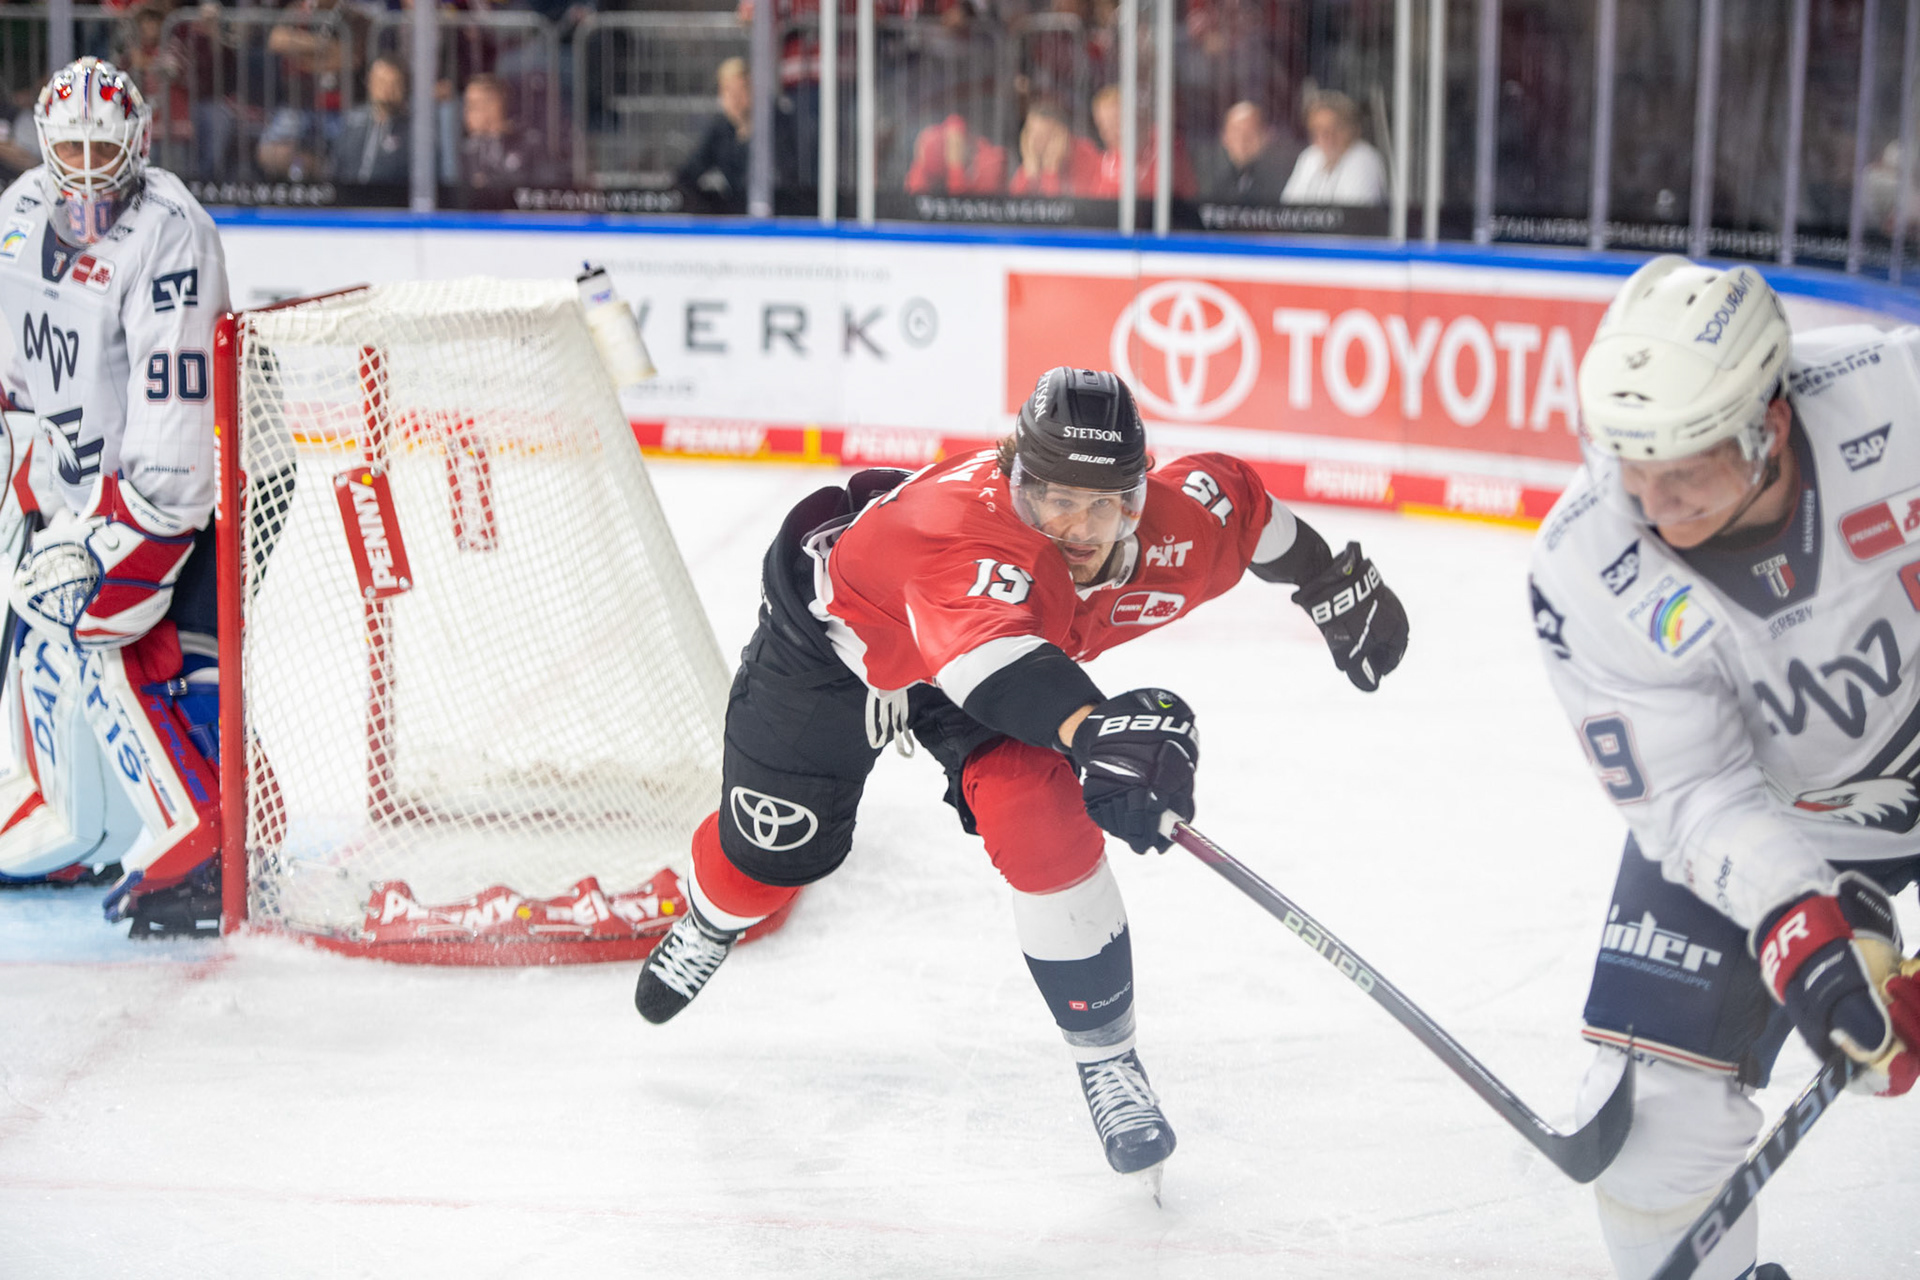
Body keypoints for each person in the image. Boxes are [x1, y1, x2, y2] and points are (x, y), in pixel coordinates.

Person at [632, 366, 1410, 1182]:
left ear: (1138, 500)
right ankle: (712, 919)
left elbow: (1245, 505)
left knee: (1041, 813)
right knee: (765, 861)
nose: (1075, 526)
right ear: (1014, 476)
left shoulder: (1182, 527)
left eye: (1101, 504)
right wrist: (1095, 731)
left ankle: (1108, 1058)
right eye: (1050, 497)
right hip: (844, 649)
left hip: (996, 653)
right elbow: (995, 671)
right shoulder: (959, 531)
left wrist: (1329, 581)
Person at [1529, 255, 1920, 1280]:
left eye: (1685, 472)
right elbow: (1695, 792)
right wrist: (1803, 922)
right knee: (1648, 1119)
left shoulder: (1902, 399)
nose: (1652, 507)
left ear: (1769, 428)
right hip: (1777, 808)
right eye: (1628, 467)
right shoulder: (1582, 565)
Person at [0, 57, 229, 937]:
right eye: (73, 146)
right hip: (80, 488)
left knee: (109, 624)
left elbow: (173, 451)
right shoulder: (18, 213)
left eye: (106, 146)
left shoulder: (169, 230)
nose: (90, 165)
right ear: (46, 144)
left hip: (190, 499)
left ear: (137, 142)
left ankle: (204, 836)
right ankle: (70, 819)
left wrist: (115, 540)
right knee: (36, 625)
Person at [1280, 89, 1386, 207]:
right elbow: (1287, 209)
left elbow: (1352, 216)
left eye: (1336, 128)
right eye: (1318, 129)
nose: (1326, 136)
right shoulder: (1309, 156)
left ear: (1354, 129)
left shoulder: (1364, 159)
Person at [674, 57, 752, 213]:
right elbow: (687, 176)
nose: (734, 98)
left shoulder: (776, 129)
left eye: (741, 89)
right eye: (728, 90)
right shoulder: (721, 131)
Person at [457, 74, 551, 190]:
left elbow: (546, 190)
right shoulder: (469, 150)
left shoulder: (529, 143)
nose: (466, 113)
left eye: (473, 106)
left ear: (494, 106)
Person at [331, 54, 412, 187]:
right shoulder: (352, 121)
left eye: (394, 83)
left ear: (404, 87)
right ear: (369, 82)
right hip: (349, 199)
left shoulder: (413, 131)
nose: (387, 90)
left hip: (391, 202)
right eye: (381, 82)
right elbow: (336, 166)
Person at [1203, 100, 1291, 204]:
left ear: (1266, 137)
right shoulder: (1215, 183)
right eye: (1236, 132)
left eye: (1251, 132)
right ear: (1224, 138)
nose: (1243, 140)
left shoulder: (1284, 180)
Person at [902, 112, 1005, 196]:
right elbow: (914, 195)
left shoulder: (991, 160)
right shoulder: (934, 148)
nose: (948, 149)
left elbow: (960, 209)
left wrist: (956, 166)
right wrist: (920, 162)